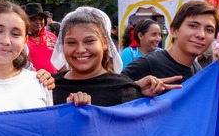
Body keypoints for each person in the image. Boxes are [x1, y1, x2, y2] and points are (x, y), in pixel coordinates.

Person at [50, 7, 179, 106]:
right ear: (62, 45)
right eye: (71, 43)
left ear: (105, 43)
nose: (80, 50)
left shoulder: (124, 91)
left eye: (89, 41)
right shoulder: (49, 87)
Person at [122, 0, 219, 83]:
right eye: (193, 26)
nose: (201, 35)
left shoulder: (196, 70)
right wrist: (137, 87)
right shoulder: (148, 64)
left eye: (209, 30)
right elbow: (115, 91)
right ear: (174, 30)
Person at [23, 2, 58, 73]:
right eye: (33, 19)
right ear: (26, 21)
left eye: (41, 19)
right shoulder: (22, 39)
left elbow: (60, 59)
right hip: (32, 78)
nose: (38, 22)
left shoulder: (52, 36)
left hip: (55, 78)